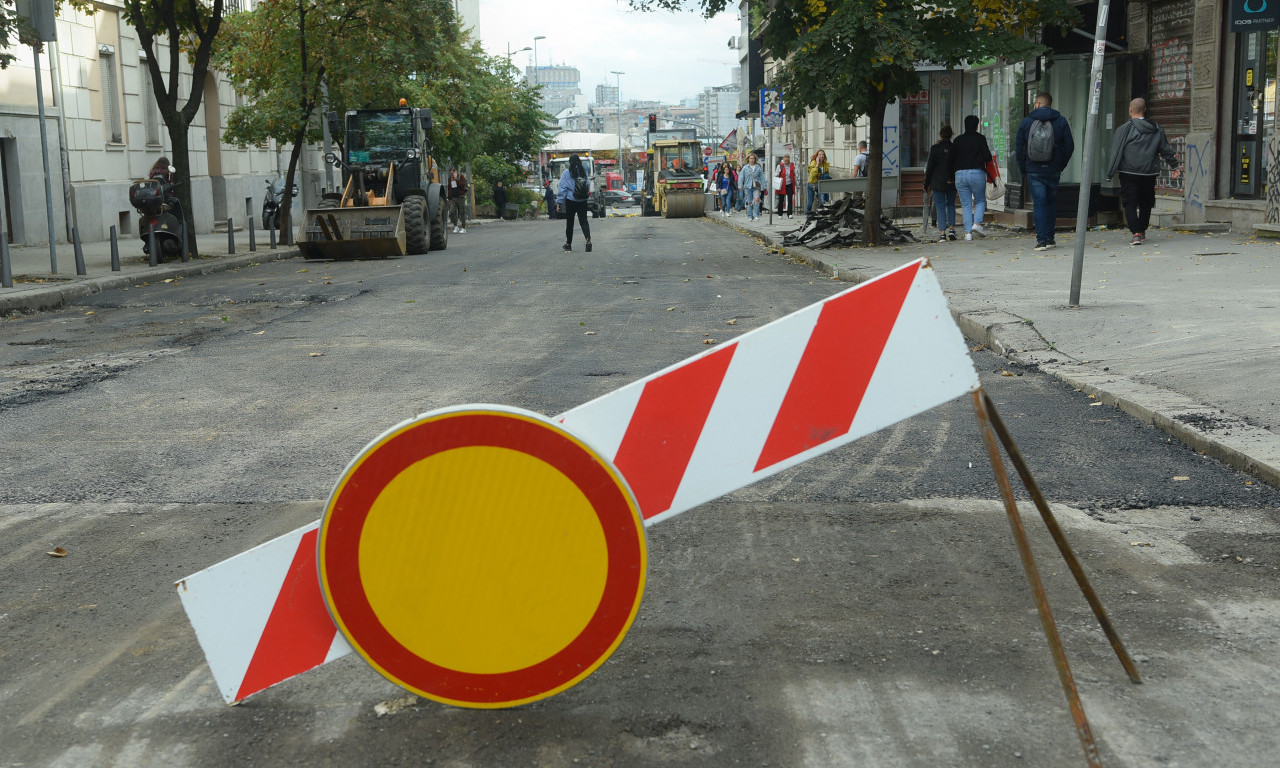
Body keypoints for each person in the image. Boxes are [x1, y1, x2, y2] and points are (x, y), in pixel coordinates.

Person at [1106, 97, 1181, 247]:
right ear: (1145, 110)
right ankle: (1142, 230)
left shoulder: (1123, 129)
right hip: (1149, 172)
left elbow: (1116, 152)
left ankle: (1136, 234)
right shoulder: (1156, 128)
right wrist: (1174, 167)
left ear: (1130, 110)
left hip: (1128, 172)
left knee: (1130, 203)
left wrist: (1110, 172)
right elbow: (1165, 150)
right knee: (1146, 203)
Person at [1016, 92, 1075, 251]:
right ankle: (1050, 238)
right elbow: (1069, 146)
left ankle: (1041, 241)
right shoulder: (1061, 121)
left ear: (1038, 104)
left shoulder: (1027, 122)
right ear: (1050, 104)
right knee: (1050, 203)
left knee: (1039, 204)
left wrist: (1024, 170)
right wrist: (1060, 164)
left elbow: (1019, 148)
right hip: (1053, 170)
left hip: (1033, 170)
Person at [952, 115, 992, 241]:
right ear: (976, 125)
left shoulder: (958, 140)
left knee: (966, 204)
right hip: (977, 173)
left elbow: (952, 160)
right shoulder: (980, 138)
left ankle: (968, 233)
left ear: (965, 125)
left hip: (960, 174)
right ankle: (977, 224)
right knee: (980, 200)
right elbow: (988, 156)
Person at [922, 126, 957, 243]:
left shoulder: (935, 148)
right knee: (951, 204)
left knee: (940, 206)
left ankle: (942, 234)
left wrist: (926, 183)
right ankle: (951, 229)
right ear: (951, 135)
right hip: (951, 181)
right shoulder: (954, 148)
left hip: (937, 182)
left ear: (940, 135)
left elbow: (930, 167)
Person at [558, 153, 592, 252]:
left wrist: (559, 202)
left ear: (570, 162)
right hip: (582, 200)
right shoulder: (583, 171)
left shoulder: (566, 173)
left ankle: (568, 244)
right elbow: (588, 184)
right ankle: (588, 240)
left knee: (570, 223)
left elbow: (562, 188)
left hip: (570, 201)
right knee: (584, 221)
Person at [739, 153, 764, 221]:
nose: (752, 160)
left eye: (753, 158)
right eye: (751, 158)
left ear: (755, 159)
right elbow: (741, 177)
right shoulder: (745, 168)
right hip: (748, 187)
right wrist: (740, 185)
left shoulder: (758, 167)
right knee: (749, 202)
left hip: (756, 186)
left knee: (756, 199)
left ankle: (756, 214)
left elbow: (762, 177)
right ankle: (750, 216)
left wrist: (764, 187)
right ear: (748, 159)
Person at [806, 149, 830, 214]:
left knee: (823, 200)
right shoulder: (813, 163)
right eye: (820, 154)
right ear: (817, 156)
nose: (821, 156)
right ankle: (808, 215)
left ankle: (821, 214)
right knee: (810, 201)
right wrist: (817, 164)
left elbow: (827, 174)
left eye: (823, 154)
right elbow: (812, 174)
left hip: (820, 185)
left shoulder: (825, 164)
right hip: (812, 184)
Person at [775, 154, 797, 218]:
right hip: (782, 184)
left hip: (789, 184)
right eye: (785, 159)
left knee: (790, 199)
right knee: (781, 199)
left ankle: (789, 214)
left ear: (789, 159)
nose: (786, 161)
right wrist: (778, 172)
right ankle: (780, 214)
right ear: (783, 159)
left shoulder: (792, 165)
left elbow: (794, 173)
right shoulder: (780, 166)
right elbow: (775, 174)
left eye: (788, 159)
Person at [448, 168, 469, 234]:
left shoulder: (461, 176)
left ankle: (463, 227)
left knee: (462, 212)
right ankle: (455, 226)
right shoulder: (449, 179)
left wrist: (456, 179)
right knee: (451, 211)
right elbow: (449, 188)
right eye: (450, 173)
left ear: (455, 172)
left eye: (452, 173)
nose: (451, 175)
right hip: (453, 198)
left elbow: (462, 185)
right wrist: (449, 198)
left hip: (460, 197)